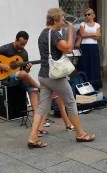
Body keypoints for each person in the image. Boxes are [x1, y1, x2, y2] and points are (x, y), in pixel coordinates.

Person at [27, 8, 95, 149]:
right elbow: (69, 48)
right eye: (62, 19)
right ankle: (80, 134)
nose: (63, 21)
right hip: (55, 76)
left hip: (44, 76)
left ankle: (33, 137)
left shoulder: (43, 34)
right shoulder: (54, 35)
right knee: (70, 102)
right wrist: (70, 30)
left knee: (42, 107)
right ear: (55, 20)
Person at [0, 31, 40, 116]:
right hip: (6, 79)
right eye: (21, 44)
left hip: (19, 78)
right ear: (16, 40)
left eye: (24, 44)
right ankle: (40, 87)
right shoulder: (7, 48)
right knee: (24, 75)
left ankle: (37, 117)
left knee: (32, 88)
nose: (22, 46)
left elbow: (25, 72)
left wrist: (28, 69)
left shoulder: (24, 53)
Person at [78, 8, 102, 90]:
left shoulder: (97, 25)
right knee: (85, 64)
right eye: (85, 15)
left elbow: (98, 37)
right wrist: (94, 34)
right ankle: (84, 83)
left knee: (94, 64)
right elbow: (82, 34)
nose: (87, 16)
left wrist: (88, 34)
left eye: (88, 14)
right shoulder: (82, 24)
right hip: (84, 46)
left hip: (94, 47)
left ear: (93, 15)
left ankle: (95, 84)